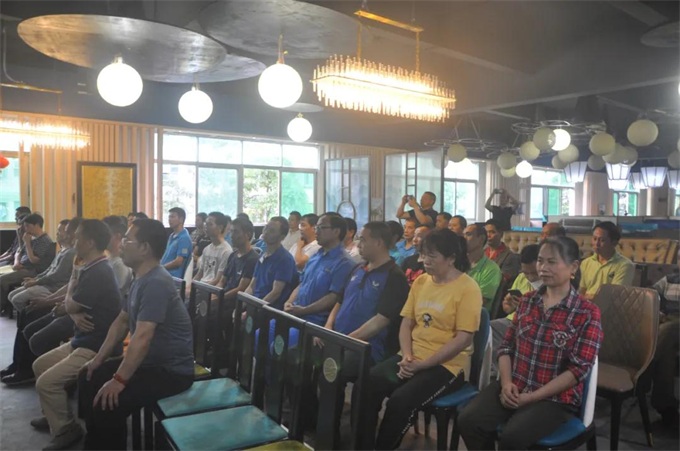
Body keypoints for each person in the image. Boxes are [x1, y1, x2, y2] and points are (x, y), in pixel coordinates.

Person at [458, 237, 603, 450]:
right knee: (469, 420)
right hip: (516, 383)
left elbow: (577, 370)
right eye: (541, 261)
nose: (543, 268)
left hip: (554, 398)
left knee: (512, 438)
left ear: (573, 267)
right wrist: (506, 383)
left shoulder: (587, 312)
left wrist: (533, 397)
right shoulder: (528, 301)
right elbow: (506, 347)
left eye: (552, 262)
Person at [78, 219, 194, 450]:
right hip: (148, 363)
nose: (120, 244)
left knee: (108, 402)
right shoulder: (139, 277)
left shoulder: (156, 282)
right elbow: (121, 322)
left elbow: (142, 337)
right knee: (89, 376)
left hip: (170, 371)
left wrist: (119, 380)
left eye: (127, 239)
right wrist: (98, 359)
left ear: (144, 248)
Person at [363, 229, 481, 450]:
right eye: (424, 254)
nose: (425, 260)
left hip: (448, 366)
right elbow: (406, 323)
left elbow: (464, 338)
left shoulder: (468, 288)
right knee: (369, 382)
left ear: (451, 258)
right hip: (412, 357)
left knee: (400, 400)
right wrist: (407, 356)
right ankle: (363, 445)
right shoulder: (421, 282)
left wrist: (423, 364)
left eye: (432, 256)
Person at [31, 220, 123, 450]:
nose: (74, 239)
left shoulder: (99, 271)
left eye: (78, 236)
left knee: (46, 383)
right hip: (83, 339)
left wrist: (71, 293)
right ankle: (54, 416)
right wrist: (72, 306)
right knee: (40, 365)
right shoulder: (89, 266)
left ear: (90, 242)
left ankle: (67, 429)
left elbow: (70, 305)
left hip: (96, 346)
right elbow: (71, 307)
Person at [1, 218, 81, 387]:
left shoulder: (92, 263)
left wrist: (49, 300)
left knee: (30, 317)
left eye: (65, 232)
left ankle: (26, 368)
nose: (61, 234)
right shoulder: (75, 257)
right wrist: (48, 298)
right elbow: (68, 286)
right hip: (59, 298)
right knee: (26, 315)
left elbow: (76, 294)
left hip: (63, 302)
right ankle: (19, 364)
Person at [283, 213, 355, 340]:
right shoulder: (316, 256)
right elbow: (302, 283)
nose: (316, 231)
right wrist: (289, 302)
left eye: (321, 227)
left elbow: (333, 297)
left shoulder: (344, 263)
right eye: (316, 227)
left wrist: (304, 310)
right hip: (295, 314)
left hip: (314, 322)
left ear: (336, 231)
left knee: (278, 345)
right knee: (260, 336)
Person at [490, 244, 541, 373]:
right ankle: (494, 372)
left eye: (534, 273)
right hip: (512, 320)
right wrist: (508, 305)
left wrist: (525, 308)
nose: (530, 277)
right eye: (526, 272)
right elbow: (507, 309)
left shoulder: (550, 283)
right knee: (488, 328)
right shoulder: (521, 277)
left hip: (533, 324)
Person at [8, 219, 76, 313]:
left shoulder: (70, 253)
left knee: (17, 299)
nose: (57, 233)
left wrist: (36, 282)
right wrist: (35, 279)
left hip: (53, 287)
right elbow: (49, 269)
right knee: (11, 295)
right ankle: (28, 316)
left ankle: (30, 317)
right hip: (46, 283)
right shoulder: (62, 250)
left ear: (69, 234)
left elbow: (56, 275)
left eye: (60, 231)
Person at [1, 213, 55, 315]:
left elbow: (34, 260)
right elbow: (19, 252)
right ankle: (5, 306)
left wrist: (28, 243)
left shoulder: (44, 241)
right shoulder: (32, 238)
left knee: (2, 279)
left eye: (27, 226)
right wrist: (17, 262)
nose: (25, 229)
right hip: (21, 266)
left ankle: (3, 307)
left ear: (37, 225)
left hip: (32, 270)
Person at [649, 248, 680, 428]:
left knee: (668, 329)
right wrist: (657, 311)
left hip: (673, 325)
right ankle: (666, 408)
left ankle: (643, 366)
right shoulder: (669, 279)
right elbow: (651, 295)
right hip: (666, 324)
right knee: (666, 353)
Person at [245, 216, 297, 309]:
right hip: (255, 303)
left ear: (282, 237)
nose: (266, 232)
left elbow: (275, 293)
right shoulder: (263, 255)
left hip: (269, 308)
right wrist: (242, 304)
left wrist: (254, 309)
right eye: (266, 228)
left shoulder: (285, 259)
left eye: (272, 231)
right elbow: (252, 286)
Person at [579, 221, 634, 300]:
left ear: (614, 243)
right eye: (594, 239)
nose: (596, 244)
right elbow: (581, 291)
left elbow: (614, 296)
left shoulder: (625, 265)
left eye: (602, 240)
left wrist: (587, 297)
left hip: (609, 307)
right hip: (586, 305)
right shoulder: (586, 263)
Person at [464, 223, 502, 312]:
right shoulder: (456, 264)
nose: (463, 238)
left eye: (468, 234)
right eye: (463, 235)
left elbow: (478, 301)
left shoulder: (492, 269)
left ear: (481, 239)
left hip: (474, 315)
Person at [193, 212, 232, 286]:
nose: (206, 227)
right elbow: (199, 274)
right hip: (201, 285)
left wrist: (201, 287)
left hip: (211, 288)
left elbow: (218, 280)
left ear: (220, 228)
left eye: (210, 224)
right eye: (206, 224)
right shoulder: (206, 249)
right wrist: (189, 285)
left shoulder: (226, 251)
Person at [101, 216, 133, 298]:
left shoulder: (120, 264)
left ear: (117, 236)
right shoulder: (109, 259)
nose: (101, 238)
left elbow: (112, 297)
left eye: (105, 235)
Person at [485, 219, 520, 283]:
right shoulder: (482, 253)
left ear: (501, 234)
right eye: (486, 232)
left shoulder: (510, 256)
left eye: (492, 232)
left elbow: (503, 281)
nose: (488, 235)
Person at [161, 207, 193, 278]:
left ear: (181, 219)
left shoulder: (184, 238)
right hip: (164, 274)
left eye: (172, 217)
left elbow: (178, 262)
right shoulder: (172, 236)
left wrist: (161, 268)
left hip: (173, 277)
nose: (169, 219)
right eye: (169, 217)